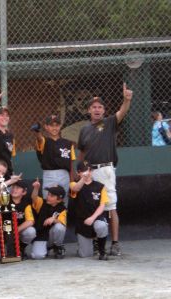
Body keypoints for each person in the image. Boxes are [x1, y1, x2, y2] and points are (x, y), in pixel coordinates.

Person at [77, 83, 133, 256]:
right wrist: (79, 172)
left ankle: (114, 243)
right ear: (88, 110)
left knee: (110, 208)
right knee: (93, 206)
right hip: (90, 173)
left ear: (104, 110)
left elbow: (122, 112)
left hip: (106, 170)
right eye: (93, 107)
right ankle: (97, 242)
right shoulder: (84, 129)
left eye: (100, 107)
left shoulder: (109, 123)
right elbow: (82, 152)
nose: (97, 109)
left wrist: (126, 99)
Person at [69, 161, 109, 261]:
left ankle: (102, 251)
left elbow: (102, 206)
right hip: (83, 222)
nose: (88, 172)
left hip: (95, 218)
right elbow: (76, 189)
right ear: (78, 172)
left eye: (90, 170)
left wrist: (92, 218)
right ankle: (90, 244)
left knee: (101, 225)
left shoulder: (100, 186)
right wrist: (83, 178)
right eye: (84, 170)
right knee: (85, 254)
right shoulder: (73, 184)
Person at [33, 114, 75, 206]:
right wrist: (37, 131)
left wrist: (72, 182)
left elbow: (71, 165)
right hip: (49, 175)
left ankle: (61, 220)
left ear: (60, 126)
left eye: (57, 125)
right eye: (51, 125)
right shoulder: (44, 141)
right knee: (48, 201)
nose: (54, 128)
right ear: (46, 127)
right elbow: (39, 139)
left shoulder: (68, 143)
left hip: (64, 175)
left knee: (64, 202)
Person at [0, 180, 36, 260]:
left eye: (18, 188)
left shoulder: (25, 203)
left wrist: (16, 230)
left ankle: (21, 248)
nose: (14, 189)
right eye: (13, 187)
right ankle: (0, 247)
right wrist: (10, 181)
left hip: (17, 232)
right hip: (2, 233)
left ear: (24, 192)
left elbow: (30, 221)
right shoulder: (5, 199)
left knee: (31, 231)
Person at [30, 182, 67, 259]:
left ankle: (58, 246)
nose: (48, 197)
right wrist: (36, 188)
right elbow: (34, 198)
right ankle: (46, 247)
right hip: (40, 235)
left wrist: (53, 219)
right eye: (48, 194)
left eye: (52, 196)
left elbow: (62, 222)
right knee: (38, 256)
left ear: (59, 200)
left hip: (51, 235)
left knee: (59, 227)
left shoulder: (62, 209)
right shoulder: (42, 202)